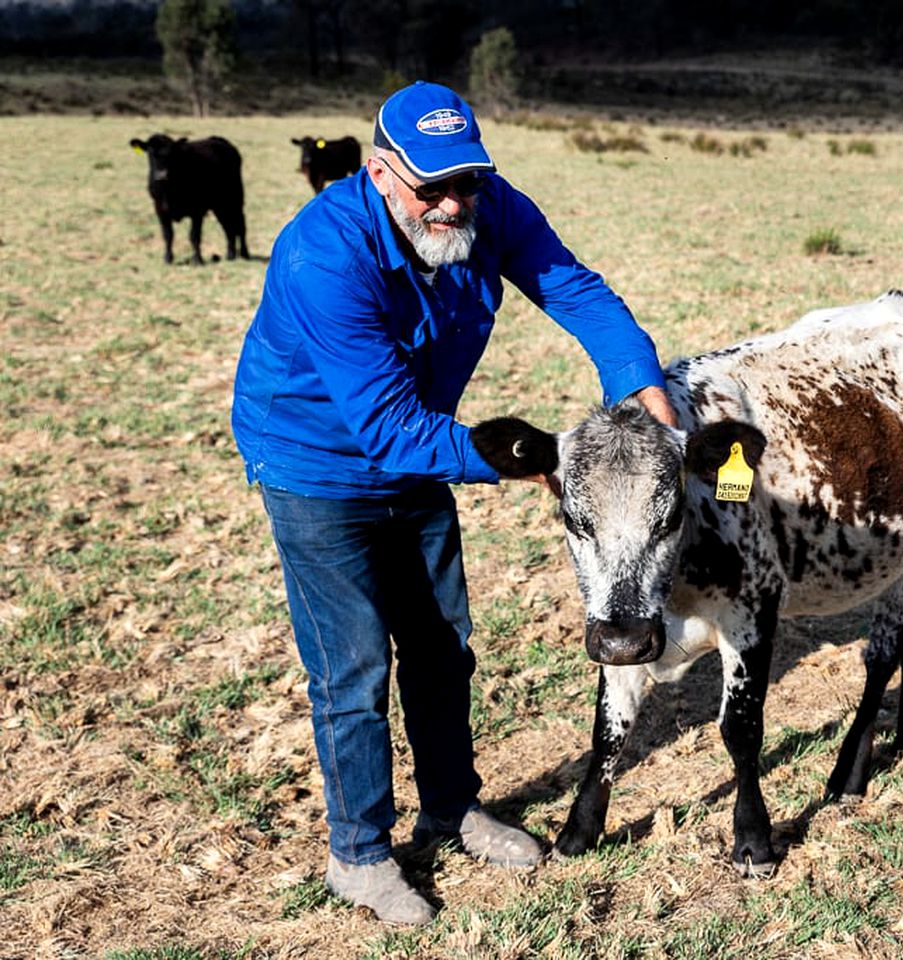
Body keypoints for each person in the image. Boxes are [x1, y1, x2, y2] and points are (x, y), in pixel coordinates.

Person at [230, 81, 676, 926]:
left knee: (442, 648)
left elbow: (575, 292)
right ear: (379, 171)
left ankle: (451, 808)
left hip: (416, 459)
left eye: (465, 180)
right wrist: (535, 462)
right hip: (317, 467)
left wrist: (639, 383)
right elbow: (388, 430)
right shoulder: (324, 254)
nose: (450, 202)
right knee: (355, 668)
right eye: (429, 184)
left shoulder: (487, 208)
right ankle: (358, 854)